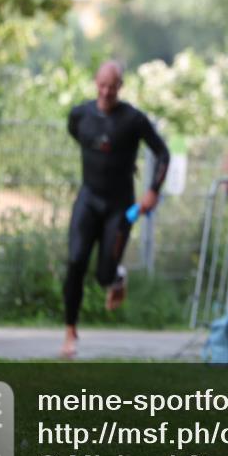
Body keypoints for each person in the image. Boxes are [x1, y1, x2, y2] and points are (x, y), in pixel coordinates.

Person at [61, 61, 170, 359]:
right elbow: (78, 135)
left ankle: (116, 278)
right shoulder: (79, 115)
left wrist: (152, 191)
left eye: (112, 86)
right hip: (88, 198)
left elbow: (163, 152)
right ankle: (70, 332)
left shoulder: (133, 119)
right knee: (75, 261)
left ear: (120, 86)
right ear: (96, 82)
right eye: (102, 85)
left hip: (119, 206)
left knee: (103, 275)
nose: (106, 91)